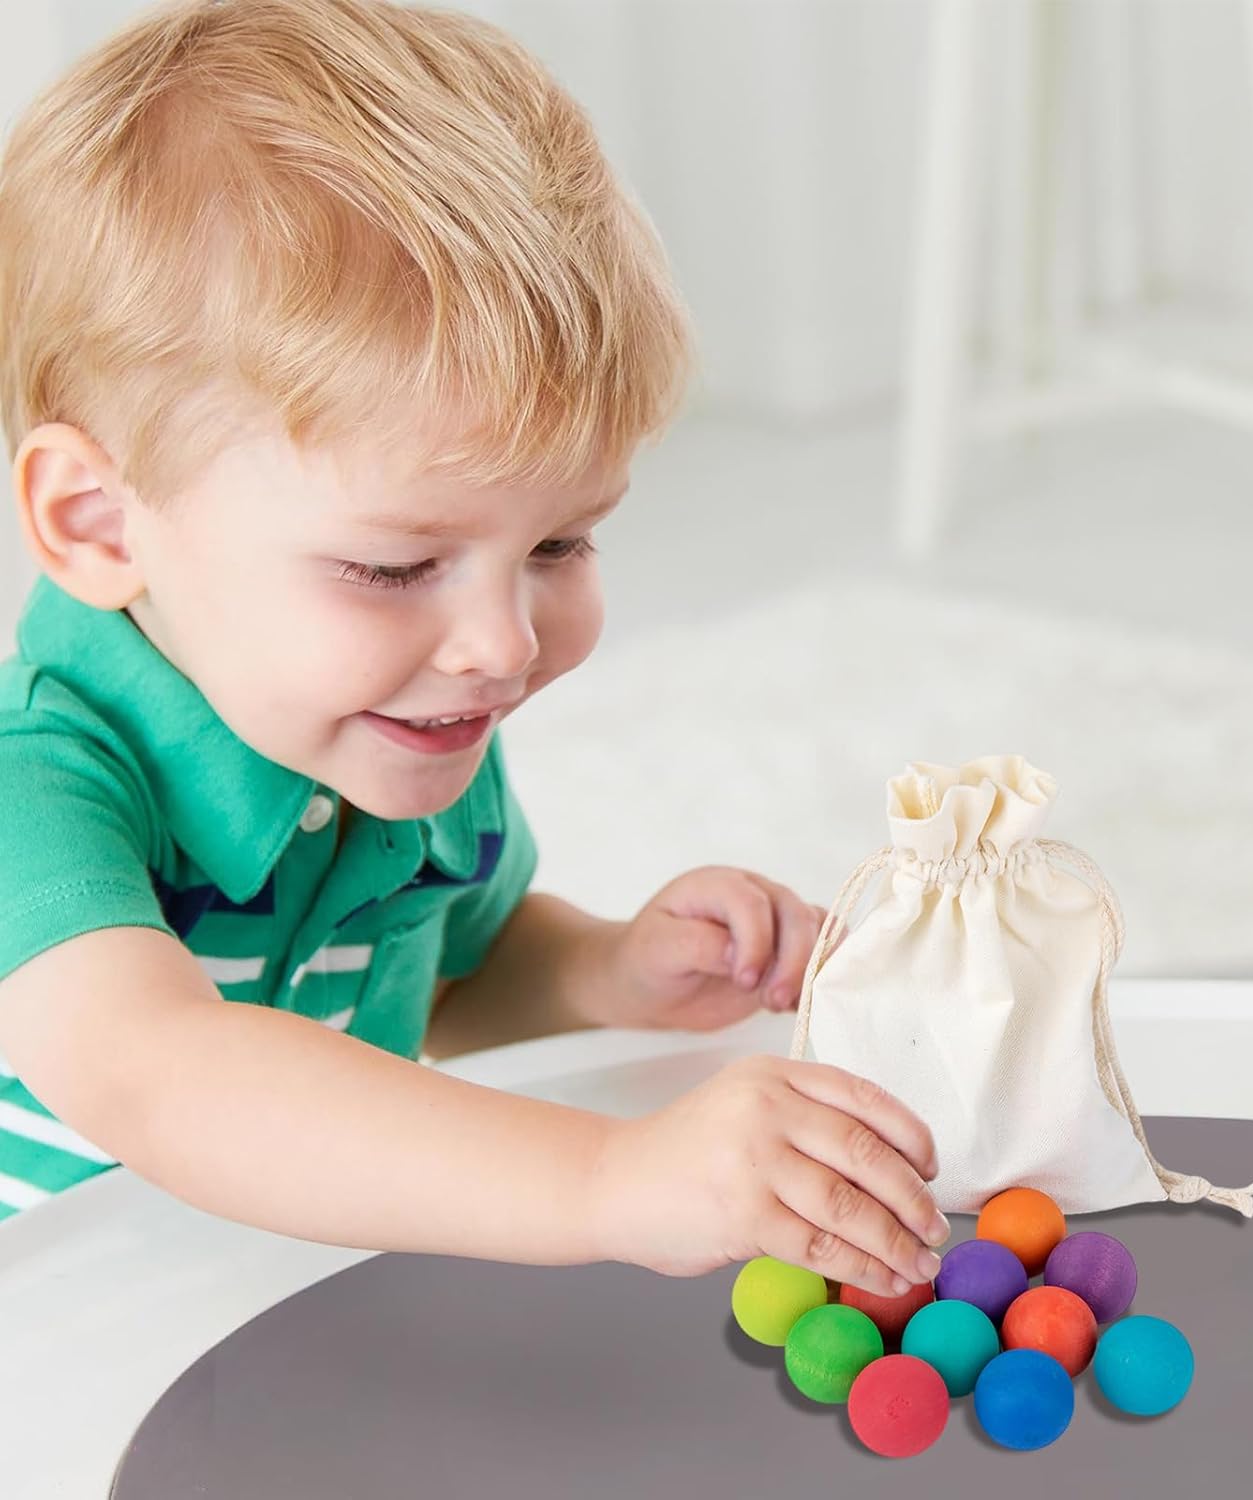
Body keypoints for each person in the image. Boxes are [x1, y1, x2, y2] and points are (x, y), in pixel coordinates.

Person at [0, 0, 948, 1297]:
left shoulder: (395, 719)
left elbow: (450, 977)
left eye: (560, 543)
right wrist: (610, 1176)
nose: (503, 644)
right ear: (98, 523)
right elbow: (162, 1077)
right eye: (393, 568)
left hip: (265, 1314)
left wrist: (606, 972)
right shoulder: (34, 787)